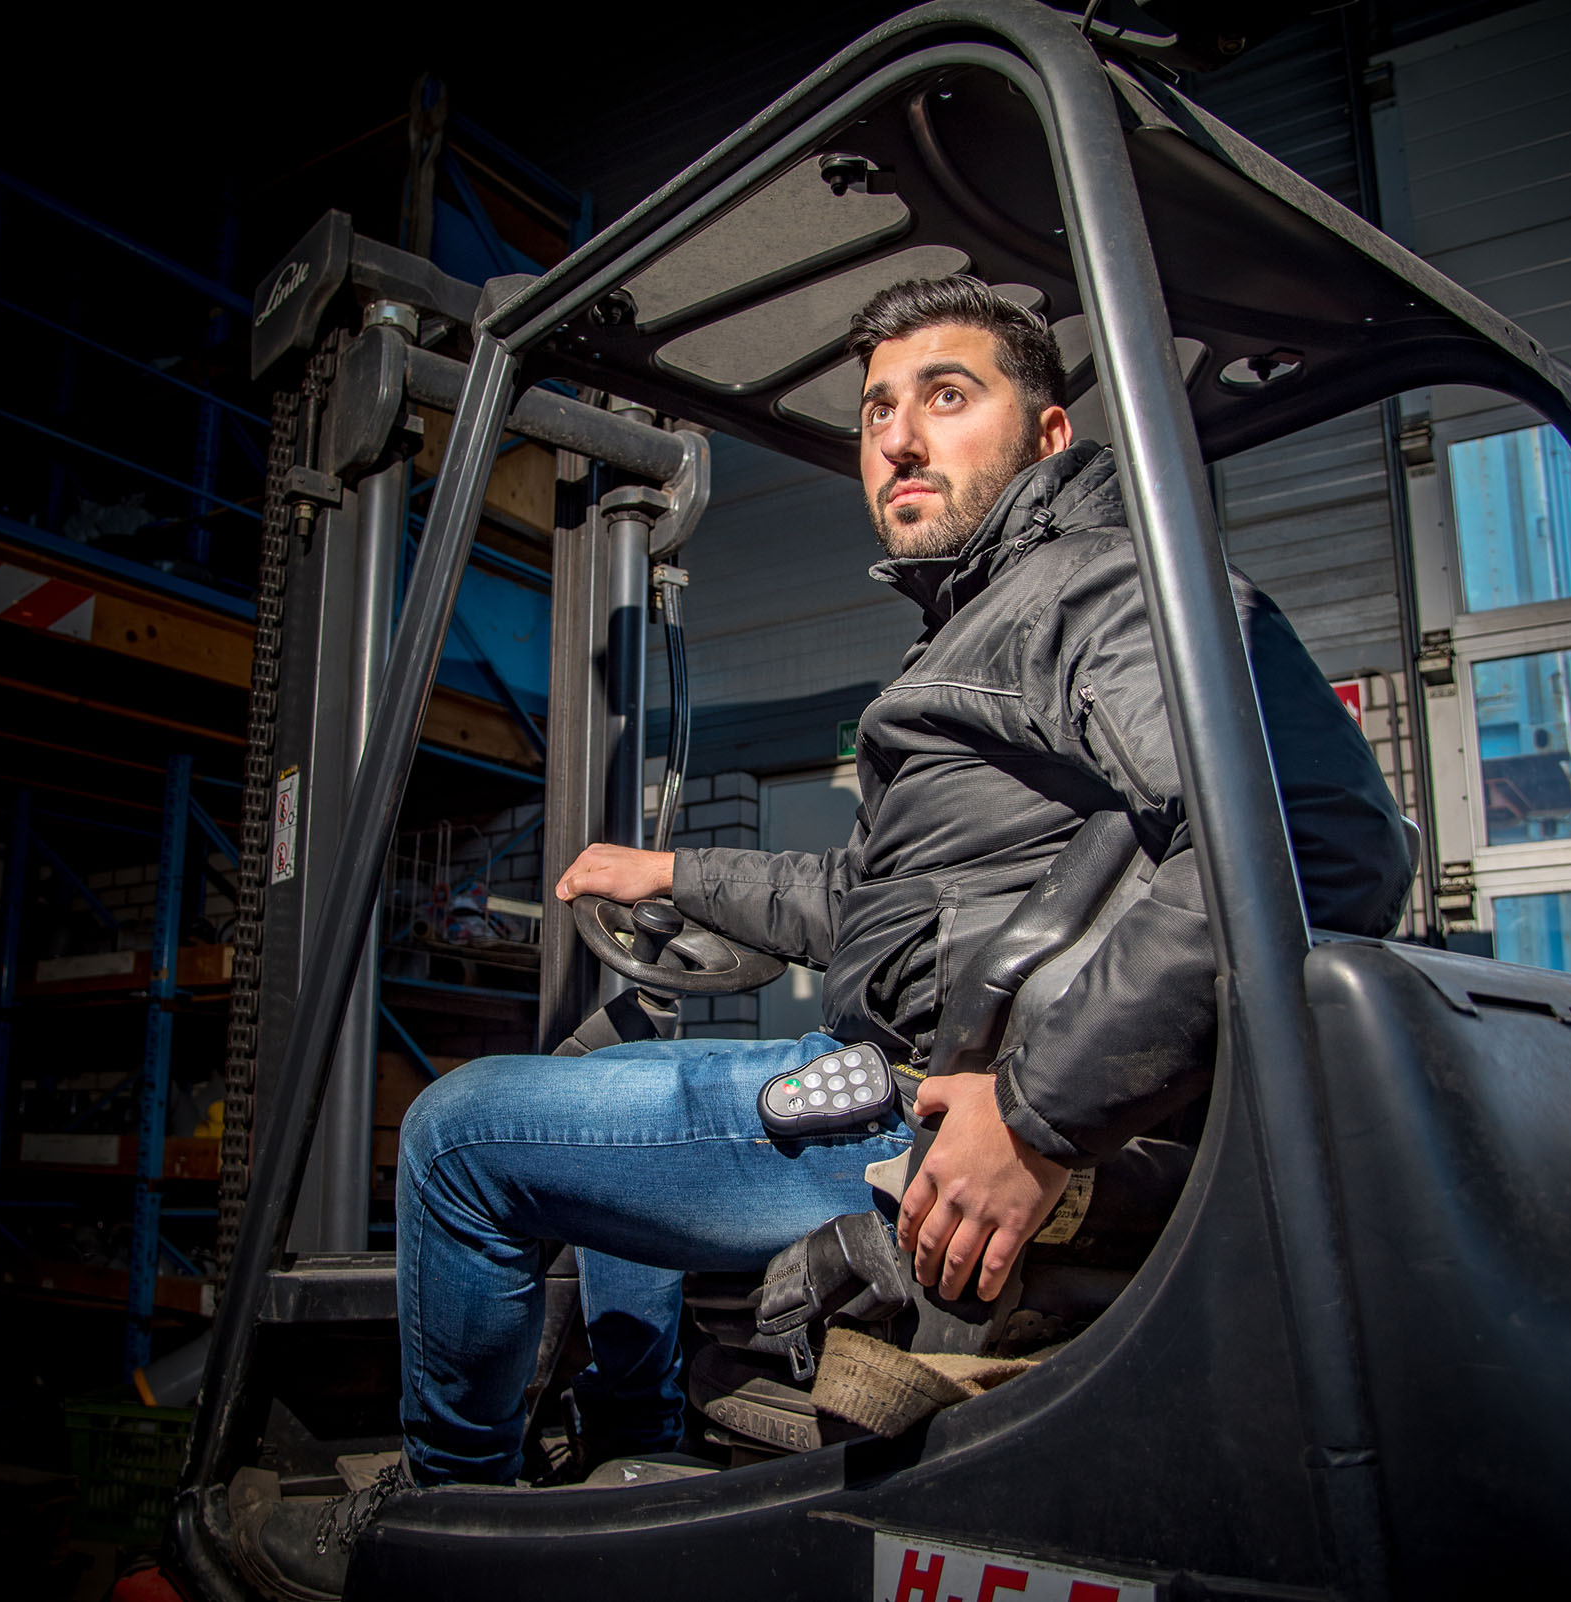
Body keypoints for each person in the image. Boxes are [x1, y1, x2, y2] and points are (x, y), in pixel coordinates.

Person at [394, 277, 1407, 1490]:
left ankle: (446, 1513)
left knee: (455, 1140)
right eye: (878, 411)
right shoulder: (978, 622)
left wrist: (1038, 1117)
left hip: (933, 1111)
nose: (900, 439)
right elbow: (866, 899)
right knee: (604, 1061)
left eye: (948, 396)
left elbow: (1316, 836)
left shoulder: (1095, 591)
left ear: (1048, 434)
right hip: (908, 1075)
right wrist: (676, 870)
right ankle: (638, 1443)